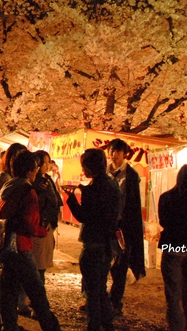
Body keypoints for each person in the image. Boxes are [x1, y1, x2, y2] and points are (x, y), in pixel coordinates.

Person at [0, 150, 61, 331]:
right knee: (37, 292)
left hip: (6, 247)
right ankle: (51, 327)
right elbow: (30, 224)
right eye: (35, 169)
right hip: (22, 246)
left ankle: (9, 326)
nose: (36, 172)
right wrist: (42, 231)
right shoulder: (28, 191)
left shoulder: (8, 187)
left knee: (9, 291)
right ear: (29, 170)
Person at [67, 148, 121, 331]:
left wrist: (71, 199)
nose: (83, 170)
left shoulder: (94, 188)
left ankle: (94, 325)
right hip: (107, 244)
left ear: (91, 166)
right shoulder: (112, 185)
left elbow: (84, 216)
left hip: (93, 244)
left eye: (84, 166)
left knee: (92, 290)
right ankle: (108, 324)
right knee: (100, 288)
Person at [157, 164, 187, 331]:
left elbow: (163, 222)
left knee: (173, 293)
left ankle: (176, 326)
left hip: (172, 249)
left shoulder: (165, 198)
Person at [106, 139, 145, 313]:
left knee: (120, 264)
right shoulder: (104, 173)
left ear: (124, 153)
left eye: (117, 151)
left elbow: (134, 205)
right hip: (105, 225)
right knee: (102, 262)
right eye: (112, 151)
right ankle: (98, 298)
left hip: (123, 226)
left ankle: (116, 301)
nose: (114, 155)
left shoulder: (131, 175)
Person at [31, 150, 63, 283]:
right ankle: (38, 296)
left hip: (49, 225)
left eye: (48, 162)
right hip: (40, 226)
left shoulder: (48, 179)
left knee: (42, 263)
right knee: (39, 263)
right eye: (44, 162)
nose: (47, 165)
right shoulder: (36, 182)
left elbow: (55, 200)